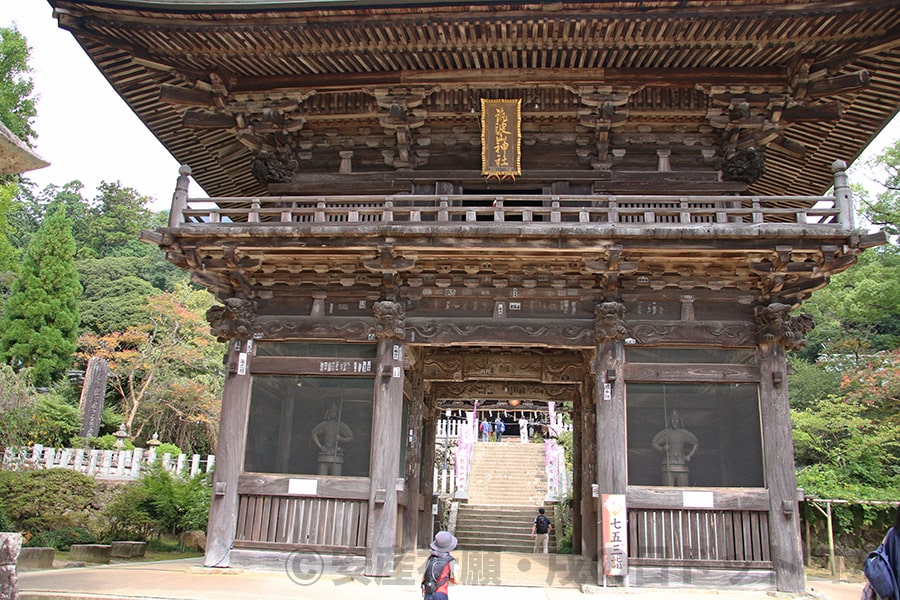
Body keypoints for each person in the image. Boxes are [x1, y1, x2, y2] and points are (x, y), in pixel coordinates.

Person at [651, 410, 699, 486]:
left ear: (679, 420)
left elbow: (696, 442)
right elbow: (654, 443)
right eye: (673, 419)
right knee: (668, 491)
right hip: (668, 465)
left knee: (683, 491)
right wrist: (662, 449)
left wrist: (689, 456)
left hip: (682, 465)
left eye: (676, 419)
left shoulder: (683, 433)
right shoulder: (666, 433)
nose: (674, 421)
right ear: (669, 420)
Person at [311, 403, 353, 475]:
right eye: (331, 411)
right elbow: (313, 433)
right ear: (328, 412)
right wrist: (320, 446)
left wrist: (341, 439)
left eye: (334, 412)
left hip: (336, 454)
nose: (332, 413)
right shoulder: (324, 424)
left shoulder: (340, 424)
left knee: (335, 479)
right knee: (321, 479)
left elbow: (351, 437)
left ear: (337, 413)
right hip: (324, 453)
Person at [421, 531, 460, 600]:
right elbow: (457, 581)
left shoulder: (431, 558)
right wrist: (448, 579)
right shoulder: (451, 561)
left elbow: (423, 578)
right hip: (441, 594)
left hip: (428, 592)